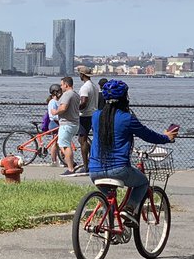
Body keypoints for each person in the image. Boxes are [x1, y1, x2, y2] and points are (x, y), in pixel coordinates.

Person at [87, 79, 179, 223]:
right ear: (125, 98)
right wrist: (166, 137)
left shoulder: (96, 116)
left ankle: (108, 230)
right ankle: (129, 209)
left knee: (109, 200)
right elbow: (148, 135)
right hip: (119, 169)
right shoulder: (127, 118)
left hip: (94, 170)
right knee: (142, 182)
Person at [55, 75, 81, 175]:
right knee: (62, 143)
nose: (61, 87)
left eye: (62, 85)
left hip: (66, 124)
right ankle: (71, 163)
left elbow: (63, 108)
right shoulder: (76, 94)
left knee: (65, 145)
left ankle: (70, 168)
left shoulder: (67, 94)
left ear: (66, 85)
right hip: (74, 123)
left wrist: (54, 112)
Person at [76, 65, 96, 164]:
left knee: (82, 140)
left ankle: (85, 165)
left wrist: (75, 108)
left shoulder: (85, 87)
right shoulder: (94, 86)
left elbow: (83, 102)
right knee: (83, 139)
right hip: (94, 114)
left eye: (80, 74)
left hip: (85, 116)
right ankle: (92, 158)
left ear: (82, 75)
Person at [43, 83, 63, 167]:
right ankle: (54, 161)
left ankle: (58, 160)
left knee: (57, 142)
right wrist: (60, 119)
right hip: (54, 123)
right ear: (55, 92)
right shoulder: (53, 102)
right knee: (55, 143)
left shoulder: (56, 101)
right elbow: (52, 115)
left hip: (56, 123)